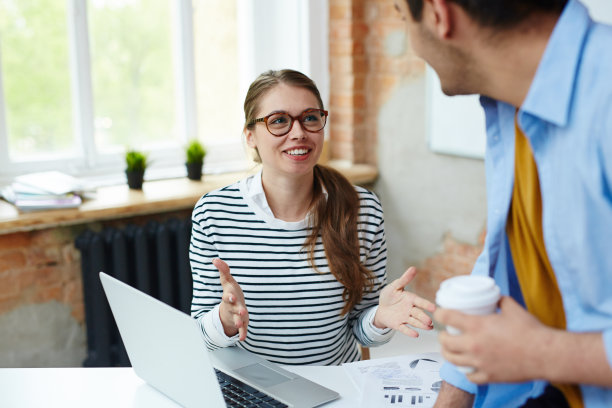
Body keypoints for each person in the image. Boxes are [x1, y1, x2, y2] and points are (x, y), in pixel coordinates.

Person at [394, 0, 612, 406]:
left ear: (439, 15)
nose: (413, 47)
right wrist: (453, 394)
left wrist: (542, 354)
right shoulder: (510, 102)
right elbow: (506, 259)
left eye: (404, 18)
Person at [189, 69, 436, 365]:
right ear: (250, 136)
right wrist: (224, 321)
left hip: (335, 385)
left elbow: (362, 330)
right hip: (250, 387)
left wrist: (381, 318)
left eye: (310, 118)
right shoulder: (213, 213)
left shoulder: (363, 209)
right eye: (278, 120)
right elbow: (200, 332)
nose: (298, 132)